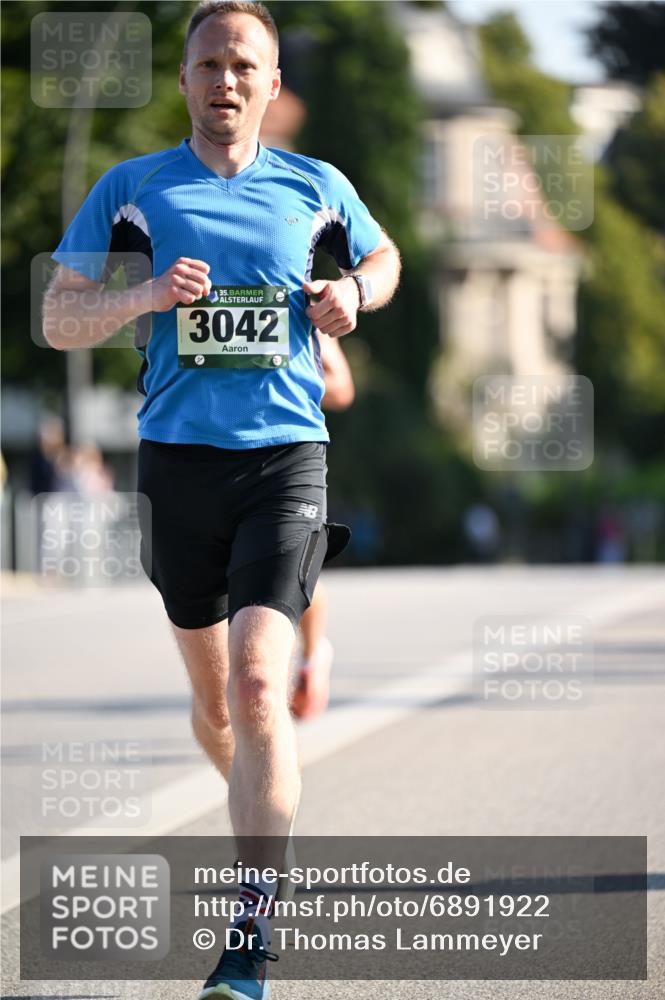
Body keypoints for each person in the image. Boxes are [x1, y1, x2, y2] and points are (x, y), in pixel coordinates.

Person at [43, 3, 401, 997]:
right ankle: (256, 798)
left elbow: (384, 258)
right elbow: (58, 315)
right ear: (188, 81)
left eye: (244, 64)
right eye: (208, 63)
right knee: (216, 709)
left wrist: (354, 298)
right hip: (176, 466)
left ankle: (249, 939)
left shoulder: (316, 186)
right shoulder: (134, 188)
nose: (225, 79)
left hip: (285, 458)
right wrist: (144, 297)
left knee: (256, 685)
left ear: (270, 86)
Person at [292, 333, 355, 720]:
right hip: (210, 453)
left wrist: (280, 370)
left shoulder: (296, 292)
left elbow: (343, 388)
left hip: (291, 450)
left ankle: (313, 655)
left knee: (295, 564)